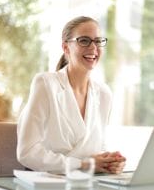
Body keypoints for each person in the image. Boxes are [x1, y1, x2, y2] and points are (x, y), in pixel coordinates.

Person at [17, 16, 126, 174]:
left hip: (84, 183)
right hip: (47, 183)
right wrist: (82, 164)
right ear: (66, 47)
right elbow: (27, 153)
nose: (93, 48)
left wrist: (109, 162)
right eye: (84, 41)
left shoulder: (104, 94)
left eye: (98, 41)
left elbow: (96, 147)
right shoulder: (46, 84)